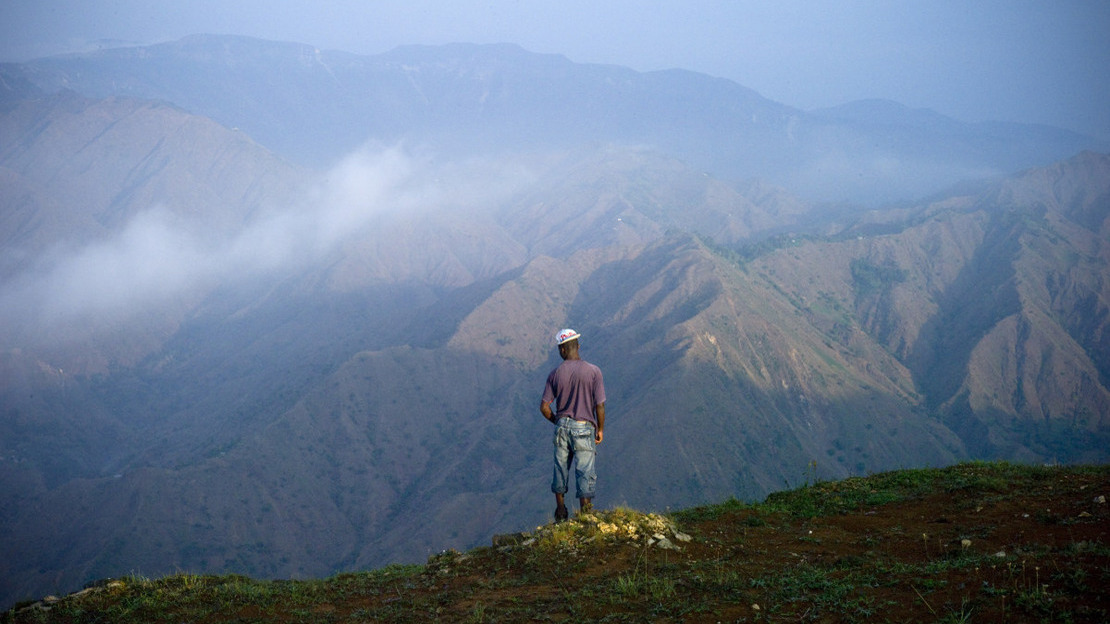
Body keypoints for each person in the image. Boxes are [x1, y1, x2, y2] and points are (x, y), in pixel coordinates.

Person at [540, 328, 606, 522]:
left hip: (562, 426)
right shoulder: (594, 371)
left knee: (560, 467)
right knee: (585, 470)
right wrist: (600, 429)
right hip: (584, 427)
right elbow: (599, 405)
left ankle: (561, 510)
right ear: (578, 346)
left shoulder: (555, 374)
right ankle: (586, 513)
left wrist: (557, 420)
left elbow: (544, 407)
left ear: (562, 349)